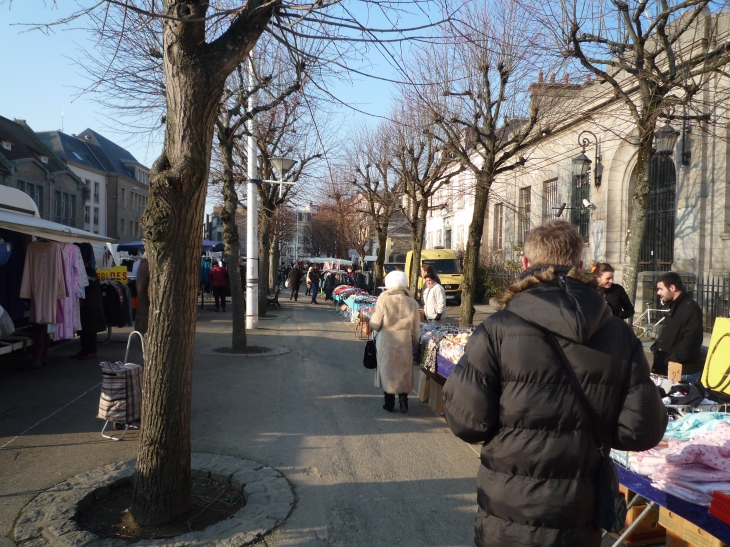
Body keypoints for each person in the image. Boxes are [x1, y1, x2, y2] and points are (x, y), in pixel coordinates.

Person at [443, 220, 667, 547]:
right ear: (579, 265)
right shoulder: (620, 334)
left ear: (525, 264)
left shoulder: (496, 329)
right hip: (579, 509)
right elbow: (641, 428)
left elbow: (467, 422)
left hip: (507, 508)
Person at [369, 270, 420, 413]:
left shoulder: (383, 300)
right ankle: (404, 400)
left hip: (387, 341)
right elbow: (416, 328)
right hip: (404, 341)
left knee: (387, 371)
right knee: (403, 370)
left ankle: (389, 403)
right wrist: (414, 341)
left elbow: (375, 323)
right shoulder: (412, 302)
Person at [652, 271, 704, 379]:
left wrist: (669, 359)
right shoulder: (675, 306)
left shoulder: (690, 309)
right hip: (668, 369)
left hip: (682, 372)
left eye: (661, 289)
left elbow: (691, 342)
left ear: (672, 287)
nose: (658, 293)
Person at [74, 243, 107, 360]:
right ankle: (84, 349)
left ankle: (91, 351)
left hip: (91, 306)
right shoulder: (87, 270)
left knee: (90, 330)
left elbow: (88, 285)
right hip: (86, 305)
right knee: (84, 329)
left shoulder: (90, 271)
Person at [134, 258, 150, 335]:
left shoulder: (144, 263)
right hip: (148, 318)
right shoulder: (148, 264)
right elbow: (149, 293)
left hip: (142, 318)